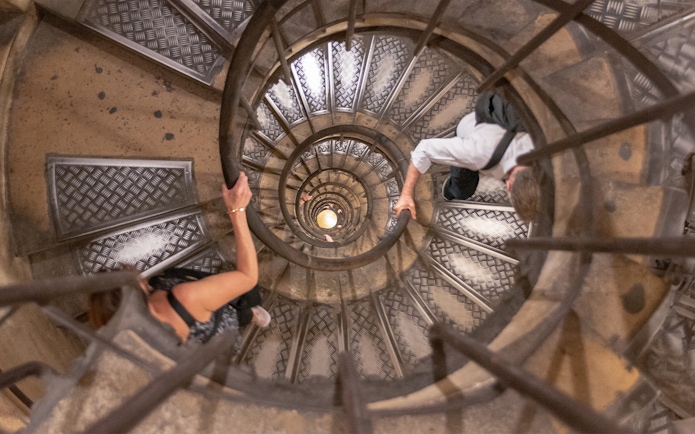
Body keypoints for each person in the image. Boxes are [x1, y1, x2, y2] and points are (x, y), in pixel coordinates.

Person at [90, 172, 266, 343]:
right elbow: (247, 277)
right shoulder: (187, 297)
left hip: (200, 342)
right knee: (236, 303)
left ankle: (252, 316)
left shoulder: (135, 336)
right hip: (213, 321)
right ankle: (252, 315)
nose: (139, 274)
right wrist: (238, 210)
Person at [393, 107, 540, 222]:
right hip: (470, 129)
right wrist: (406, 194)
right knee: (462, 187)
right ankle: (454, 191)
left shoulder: (541, 148)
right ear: (508, 185)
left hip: (495, 122)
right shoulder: (477, 154)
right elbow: (424, 150)